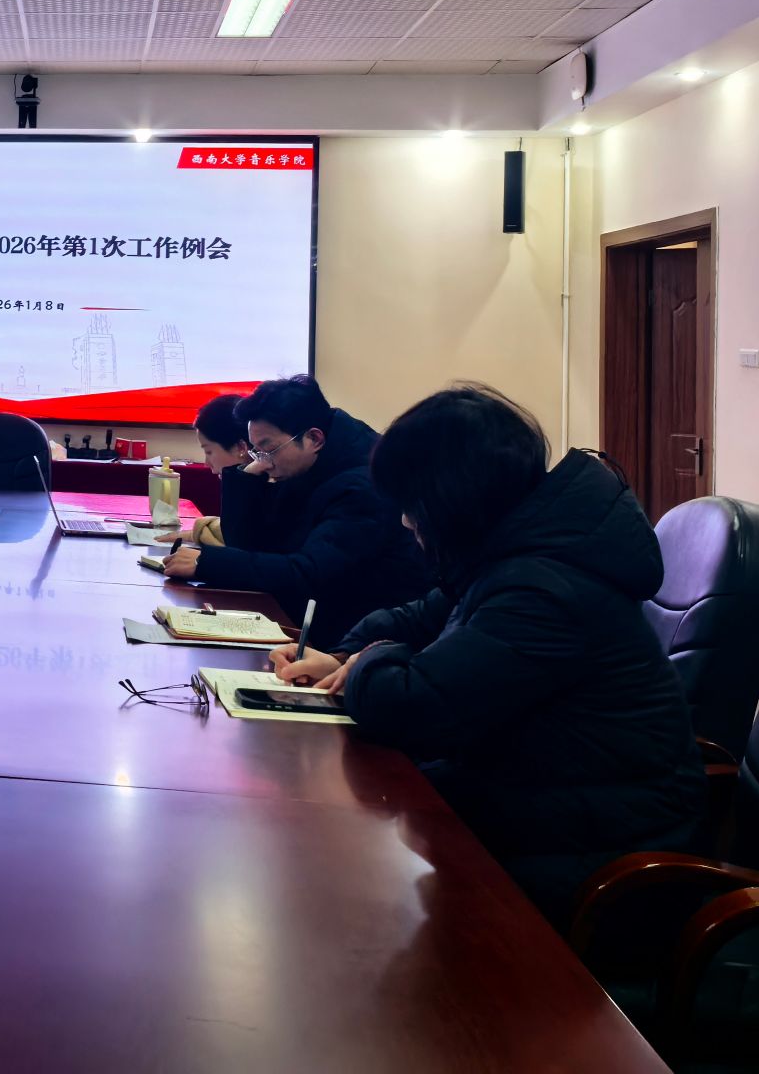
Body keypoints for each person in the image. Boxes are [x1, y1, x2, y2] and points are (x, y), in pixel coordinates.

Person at [271, 385, 705, 921]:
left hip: (603, 864)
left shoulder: (545, 590)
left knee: (339, 893)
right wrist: (343, 655)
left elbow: (415, 710)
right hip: (537, 808)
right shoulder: (514, 553)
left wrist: (372, 660)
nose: (405, 522)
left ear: (451, 501)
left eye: (412, 506)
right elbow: (422, 615)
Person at [161, 374, 427, 646]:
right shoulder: (307, 463)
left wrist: (208, 563)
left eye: (268, 449)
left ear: (314, 438)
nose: (264, 461)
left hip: (356, 638)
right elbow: (252, 545)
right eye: (256, 451)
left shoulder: (363, 486)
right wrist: (246, 479)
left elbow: (309, 574)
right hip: (314, 617)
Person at [188, 392, 268, 548]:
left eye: (209, 451)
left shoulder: (274, 486)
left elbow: (237, 544)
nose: (206, 463)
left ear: (241, 447)